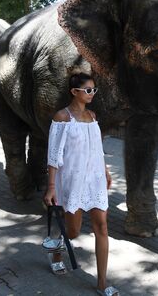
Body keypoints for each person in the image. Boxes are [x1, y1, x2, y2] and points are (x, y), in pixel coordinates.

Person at [44, 73, 118, 296]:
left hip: (94, 179)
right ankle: (56, 247)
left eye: (94, 90)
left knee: (102, 228)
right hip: (72, 180)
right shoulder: (62, 118)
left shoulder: (93, 116)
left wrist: (104, 171)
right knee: (73, 232)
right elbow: (54, 155)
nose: (92, 94)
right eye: (88, 90)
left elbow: (96, 149)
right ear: (74, 91)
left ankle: (102, 283)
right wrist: (51, 186)